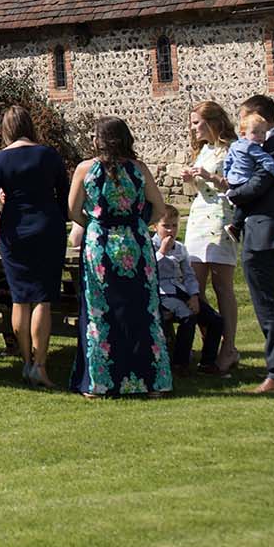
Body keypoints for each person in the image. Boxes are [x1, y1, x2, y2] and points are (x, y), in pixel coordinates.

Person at [67, 117, 177, 398]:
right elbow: (159, 207)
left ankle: (100, 383)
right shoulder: (139, 169)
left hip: (100, 246)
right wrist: (136, 223)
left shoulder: (85, 169)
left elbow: (73, 210)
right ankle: (152, 382)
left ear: (99, 140)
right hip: (136, 244)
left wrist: (95, 223)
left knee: (100, 312)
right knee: (142, 310)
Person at [0, 105, 70, 388]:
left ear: (6, 130)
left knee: (21, 298)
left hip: (14, 230)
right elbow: (64, 197)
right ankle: (40, 364)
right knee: (43, 298)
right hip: (47, 227)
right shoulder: (49, 155)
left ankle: (27, 361)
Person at [227, 94, 274, 393]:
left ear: (258, 116)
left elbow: (257, 185)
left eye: (244, 118)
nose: (242, 126)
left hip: (265, 233)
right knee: (270, 302)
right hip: (263, 231)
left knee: (269, 304)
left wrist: (230, 193)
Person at [178, 102, 244, 375]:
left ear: (212, 121)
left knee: (222, 285)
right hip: (198, 218)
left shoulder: (232, 149)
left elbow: (237, 186)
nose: (193, 128)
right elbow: (200, 187)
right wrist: (191, 179)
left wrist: (211, 177)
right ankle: (210, 342)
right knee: (195, 286)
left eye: (197, 123)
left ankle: (229, 348)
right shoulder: (203, 150)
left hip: (221, 217)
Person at [156, 231, 224, 371]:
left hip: (180, 291)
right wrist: (162, 251)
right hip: (161, 294)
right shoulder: (149, 246)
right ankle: (180, 363)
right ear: (156, 227)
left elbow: (189, 275)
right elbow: (150, 271)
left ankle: (207, 362)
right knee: (187, 316)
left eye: (174, 226)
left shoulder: (180, 247)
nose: (170, 230)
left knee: (215, 319)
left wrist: (194, 296)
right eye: (166, 226)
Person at [221, 110, 274, 244]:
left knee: (243, 204)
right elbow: (266, 160)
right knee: (248, 202)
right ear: (243, 133)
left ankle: (234, 204)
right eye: (255, 132)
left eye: (263, 132)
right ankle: (235, 226)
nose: (260, 136)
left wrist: (226, 175)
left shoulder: (235, 145)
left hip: (233, 179)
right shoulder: (252, 147)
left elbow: (228, 161)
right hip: (244, 179)